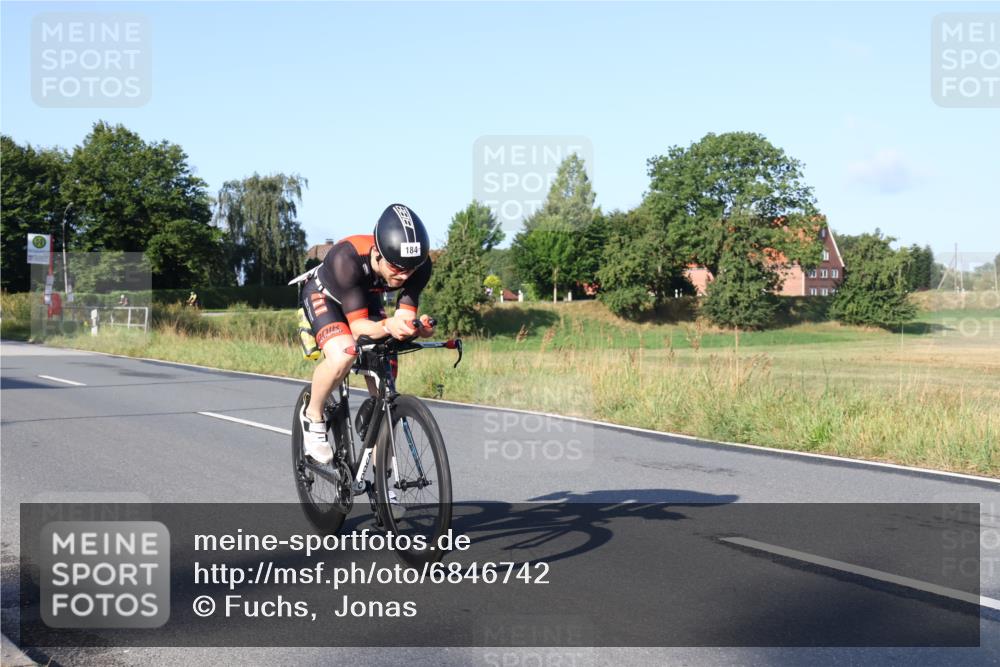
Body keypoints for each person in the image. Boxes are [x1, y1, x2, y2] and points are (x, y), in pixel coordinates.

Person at [297, 203, 435, 464]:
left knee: (386, 373)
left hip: (365, 298)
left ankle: (380, 471)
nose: (404, 276)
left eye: (410, 270)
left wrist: (417, 328)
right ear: (378, 254)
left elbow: (402, 319)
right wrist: (387, 326)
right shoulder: (347, 259)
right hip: (325, 297)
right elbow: (359, 328)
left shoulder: (419, 266)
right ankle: (312, 414)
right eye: (396, 268)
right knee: (343, 355)